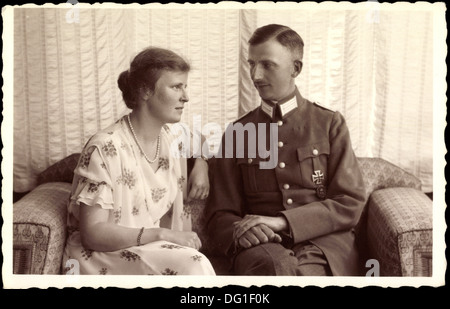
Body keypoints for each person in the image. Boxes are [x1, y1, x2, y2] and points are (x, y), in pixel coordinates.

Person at [206, 24, 366, 276]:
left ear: (296, 68)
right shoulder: (238, 131)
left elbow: (350, 202)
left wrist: (283, 221)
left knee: (306, 275)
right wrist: (241, 230)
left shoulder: (328, 123)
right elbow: (220, 214)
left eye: (268, 65)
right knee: (275, 267)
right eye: (251, 63)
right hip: (261, 247)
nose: (256, 75)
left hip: (322, 243)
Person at [62, 47, 215, 275]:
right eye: (176, 87)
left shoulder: (172, 136)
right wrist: (162, 234)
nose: (186, 96)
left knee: (192, 264)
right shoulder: (104, 148)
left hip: (147, 247)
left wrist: (201, 164)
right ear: (145, 91)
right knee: (194, 265)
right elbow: (92, 234)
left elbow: (200, 139)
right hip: (103, 255)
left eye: (185, 86)